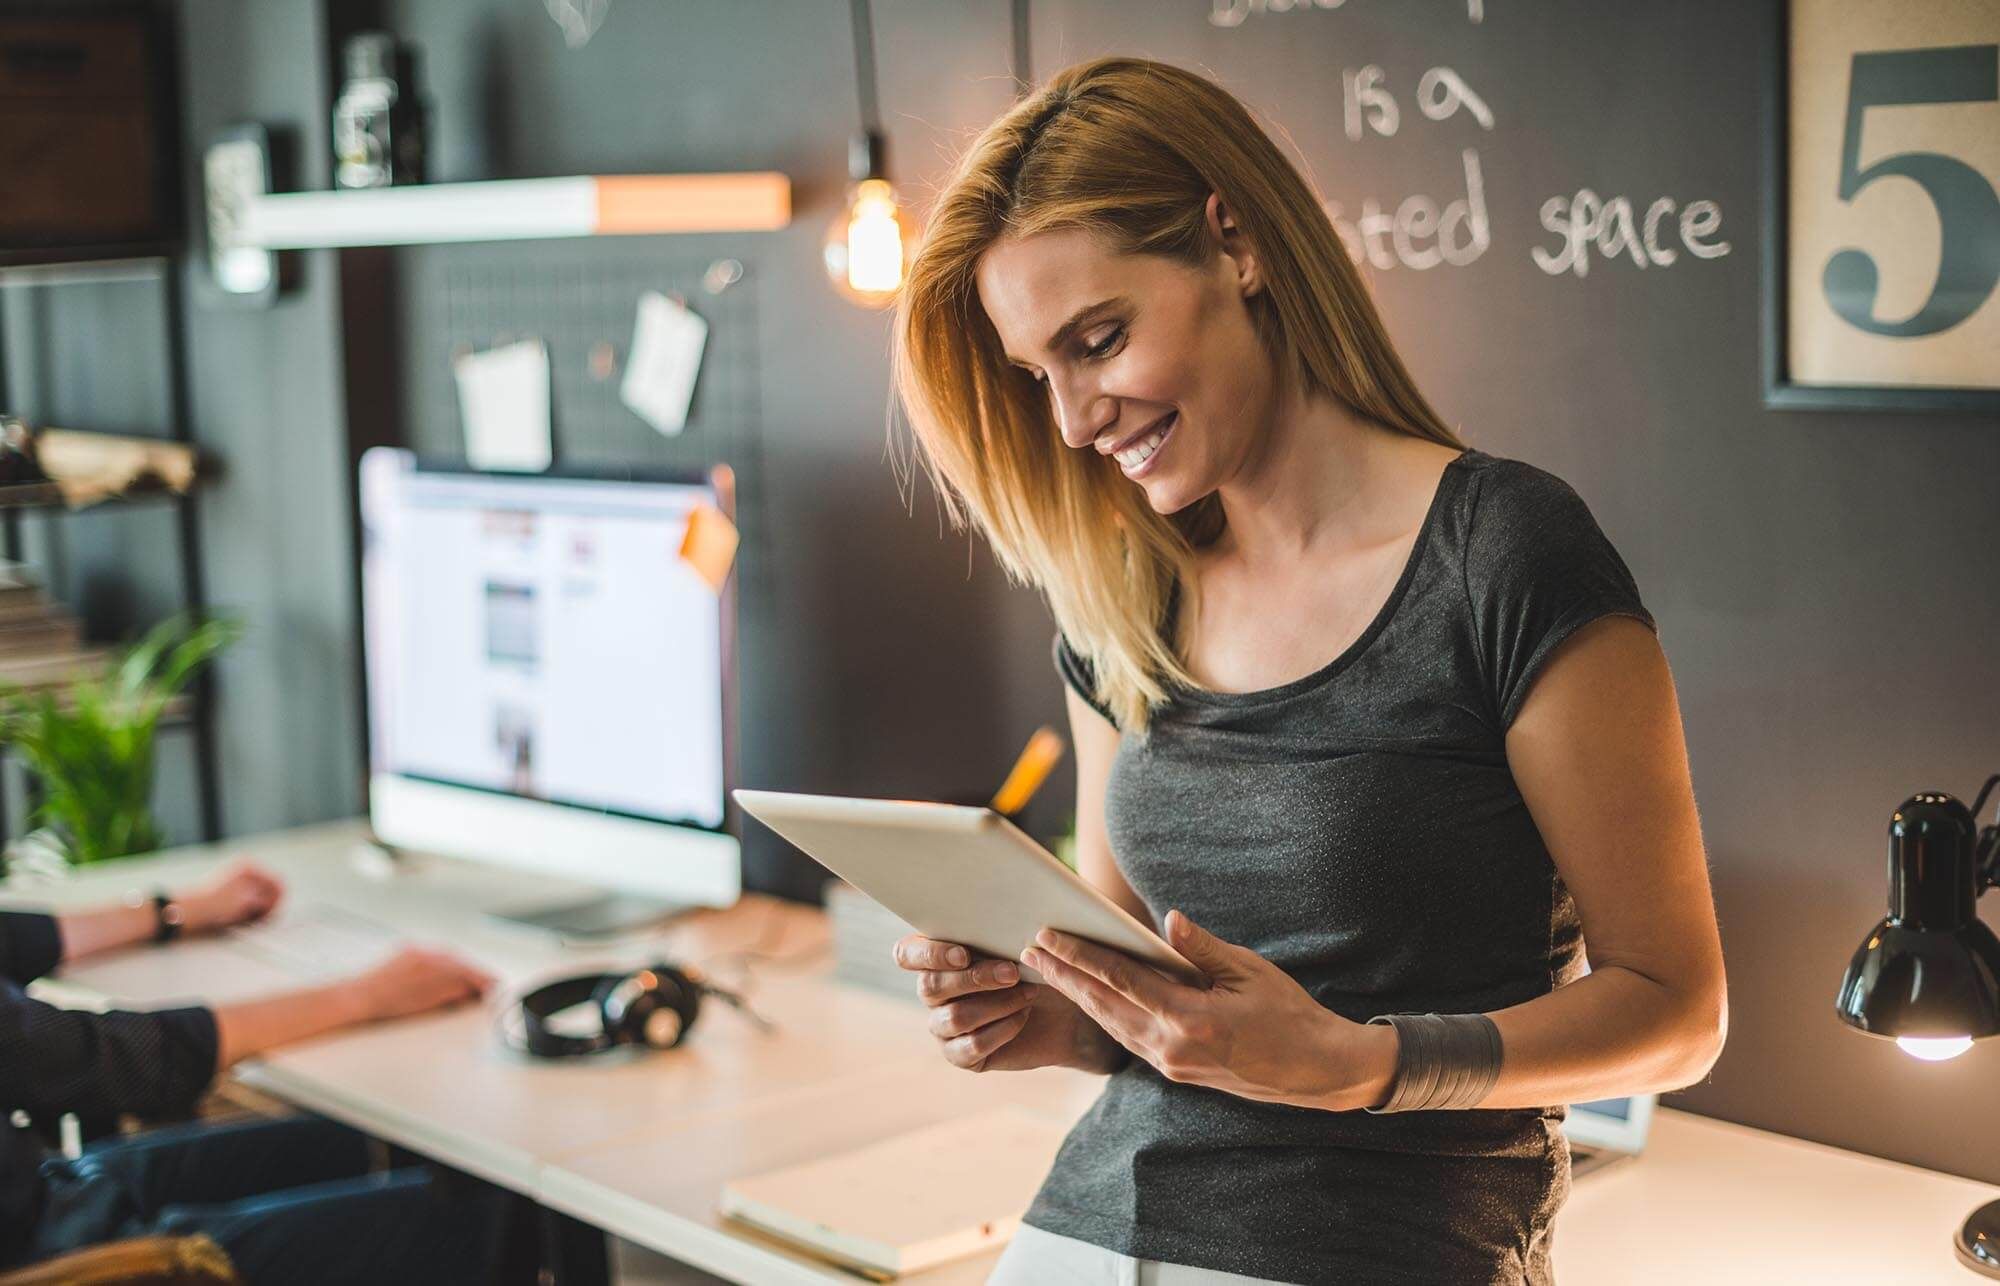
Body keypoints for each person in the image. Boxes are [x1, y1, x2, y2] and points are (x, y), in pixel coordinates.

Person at [888, 56, 1727, 1285]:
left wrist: (1360, 1062)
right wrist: (1043, 1014)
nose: (1070, 419)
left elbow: (1676, 1009)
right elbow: (1140, 992)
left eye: (1099, 338)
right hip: (1080, 1239)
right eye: (1036, 374)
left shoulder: (1499, 555)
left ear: (1235, 244)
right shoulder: (1124, 594)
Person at [1, 858, 506, 1283]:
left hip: (46, 1194)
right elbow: (115, 1060)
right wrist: (365, 996)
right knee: (490, 1223)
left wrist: (172, 913)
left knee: (370, 1143)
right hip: (56, 1260)